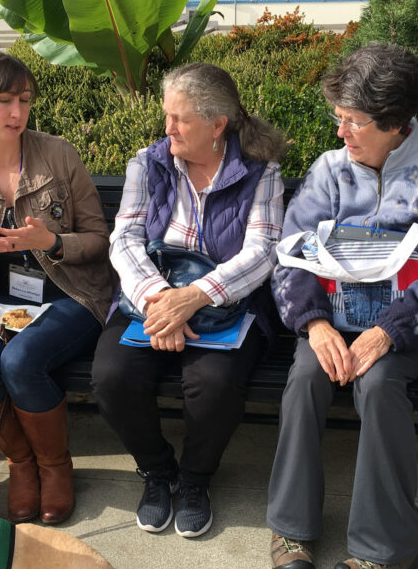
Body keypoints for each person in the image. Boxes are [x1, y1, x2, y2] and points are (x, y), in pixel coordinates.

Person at [267, 42, 418, 569]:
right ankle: (291, 527)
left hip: (407, 328)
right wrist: (315, 325)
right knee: (306, 378)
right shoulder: (330, 172)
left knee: (380, 382)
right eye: (338, 119)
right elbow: (290, 251)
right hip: (331, 320)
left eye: (354, 122)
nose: (342, 134)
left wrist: (389, 331)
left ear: (394, 124)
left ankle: (393, 543)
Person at [91, 62, 287, 539]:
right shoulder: (148, 163)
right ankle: (157, 471)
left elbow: (263, 251)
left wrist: (196, 296)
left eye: (180, 118)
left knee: (214, 385)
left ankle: (196, 479)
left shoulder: (262, 172)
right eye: (167, 115)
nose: (168, 128)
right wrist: (161, 299)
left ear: (217, 124)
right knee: (112, 375)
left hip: (229, 305)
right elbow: (125, 238)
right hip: (151, 298)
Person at [0, 50, 114, 525]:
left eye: (25, 101)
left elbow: (99, 242)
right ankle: (21, 463)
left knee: (20, 360)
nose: (17, 113)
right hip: (2, 299)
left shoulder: (57, 154)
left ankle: (55, 466)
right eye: (5, 101)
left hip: (70, 292)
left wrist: (51, 241)